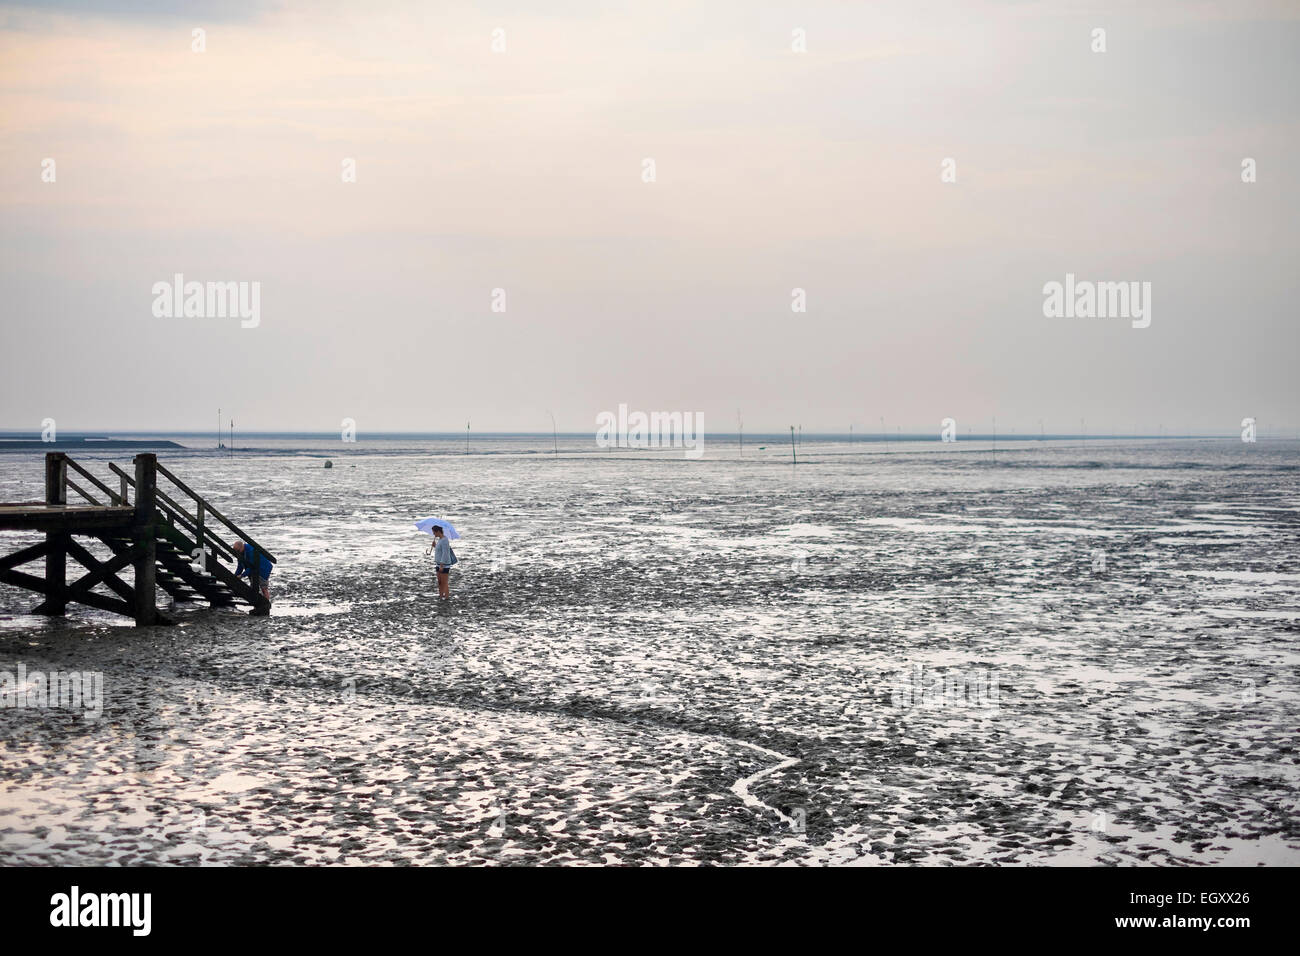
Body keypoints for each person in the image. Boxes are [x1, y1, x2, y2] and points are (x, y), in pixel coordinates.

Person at [232, 540, 273, 604]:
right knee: (253, 586)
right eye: (235, 551)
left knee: (264, 588)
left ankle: (267, 604)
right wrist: (235, 576)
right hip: (253, 569)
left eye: (238, 551)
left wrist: (242, 575)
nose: (237, 553)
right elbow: (240, 567)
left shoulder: (251, 550)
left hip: (263, 568)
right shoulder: (240, 553)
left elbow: (252, 566)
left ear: (242, 547)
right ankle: (257, 602)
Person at [431, 525, 452, 599]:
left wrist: (442, 565)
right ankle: (440, 595)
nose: (433, 534)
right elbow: (440, 551)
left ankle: (446, 597)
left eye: (434, 532)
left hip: (444, 564)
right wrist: (435, 546)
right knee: (440, 581)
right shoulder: (440, 540)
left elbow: (445, 553)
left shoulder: (445, 540)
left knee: (444, 582)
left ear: (438, 531)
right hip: (438, 563)